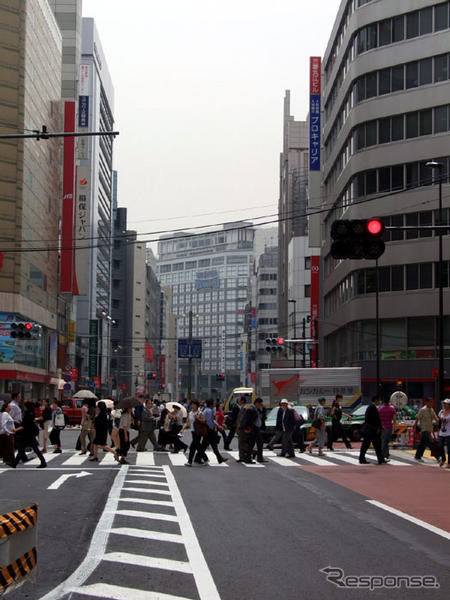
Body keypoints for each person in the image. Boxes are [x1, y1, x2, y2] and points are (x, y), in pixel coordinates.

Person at [11, 401, 47, 468]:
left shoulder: (28, 414)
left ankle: (43, 462)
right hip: (29, 433)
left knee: (23, 448)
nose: (23, 407)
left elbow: (25, 425)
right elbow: (26, 423)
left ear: (27, 407)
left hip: (28, 434)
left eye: (24, 406)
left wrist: (16, 430)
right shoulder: (31, 413)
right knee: (24, 448)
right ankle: (14, 463)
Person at [359, 395, 388, 464]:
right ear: (376, 400)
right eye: (379, 400)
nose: (380, 401)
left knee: (375, 445)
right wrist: (377, 427)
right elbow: (373, 420)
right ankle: (362, 459)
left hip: (372, 430)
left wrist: (380, 427)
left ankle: (380, 459)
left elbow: (376, 420)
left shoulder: (372, 407)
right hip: (371, 430)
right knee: (368, 445)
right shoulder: (372, 407)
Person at [201, 399, 228, 464]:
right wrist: (216, 426)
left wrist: (217, 425)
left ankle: (198, 457)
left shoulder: (206, 410)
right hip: (209, 430)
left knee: (206, 445)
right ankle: (220, 458)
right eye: (214, 403)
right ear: (211, 404)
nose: (215, 404)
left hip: (207, 429)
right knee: (212, 445)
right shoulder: (209, 411)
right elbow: (210, 421)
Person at [184, 400, 208, 466]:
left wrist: (197, 418)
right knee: (197, 446)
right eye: (191, 404)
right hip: (193, 431)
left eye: (193, 405)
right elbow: (188, 422)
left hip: (198, 432)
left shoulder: (200, 413)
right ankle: (205, 458)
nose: (192, 406)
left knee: (192, 447)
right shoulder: (190, 413)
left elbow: (204, 421)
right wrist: (183, 428)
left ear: (197, 405)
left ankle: (190, 462)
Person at [0, 402, 17, 466]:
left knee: (8, 447)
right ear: (6, 408)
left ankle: (10, 461)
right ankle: (11, 461)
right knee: (10, 447)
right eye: (9, 406)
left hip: (8, 433)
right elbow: (3, 423)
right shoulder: (5, 414)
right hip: (7, 434)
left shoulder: (6, 414)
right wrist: (6, 431)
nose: (10, 408)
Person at [437, 398, 450, 468]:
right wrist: (438, 430)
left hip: (449, 432)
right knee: (440, 446)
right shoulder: (441, 412)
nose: (445, 405)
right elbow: (439, 422)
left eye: (446, 404)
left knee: (449, 448)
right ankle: (443, 459)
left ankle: (449, 462)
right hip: (442, 432)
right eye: (444, 404)